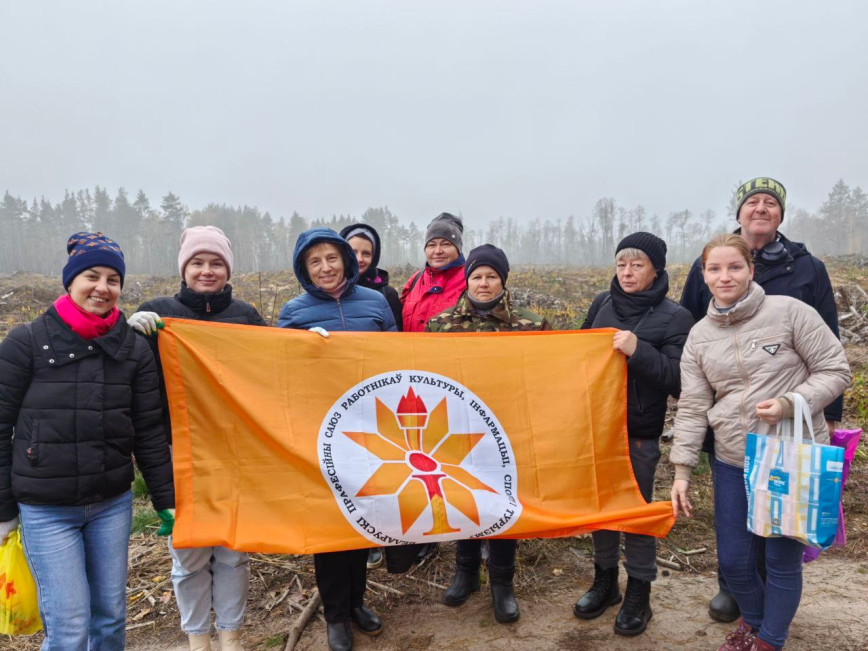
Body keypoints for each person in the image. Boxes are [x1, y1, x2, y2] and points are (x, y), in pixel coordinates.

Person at [670, 233, 851, 651]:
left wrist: (791, 403)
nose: (725, 276)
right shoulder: (699, 337)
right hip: (735, 459)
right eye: (714, 269)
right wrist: (681, 471)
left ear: (751, 270)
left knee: (780, 560)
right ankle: (753, 622)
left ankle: (770, 639)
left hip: (791, 453)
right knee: (734, 562)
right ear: (703, 276)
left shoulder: (789, 312)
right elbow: (694, 406)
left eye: (734, 267)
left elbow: (836, 368)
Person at [0, 232, 175, 650]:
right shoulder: (26, 342)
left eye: (113, 279)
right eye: (92, 276)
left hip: (111, 505)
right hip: (46, 510)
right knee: (71, 627)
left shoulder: (133, 348)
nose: (102, 287)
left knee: (111, 618)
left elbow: (148, 430)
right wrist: (4, 510)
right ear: (70, 281)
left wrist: (166, 499)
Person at [128, 226, 266, 651]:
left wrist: (312, 345)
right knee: (188, 552)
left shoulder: (245, 314)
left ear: (228, 270)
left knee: (231, 549)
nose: (207, 271)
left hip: (232, 449)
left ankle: (231, 635)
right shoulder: (158, 312)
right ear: (184, 269)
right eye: (198, 263)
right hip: (178, 449)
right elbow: (128, 373)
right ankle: (196, 637)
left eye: (216, 264)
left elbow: (269, 365)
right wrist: (127, 331)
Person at [278, 227, 396, 651]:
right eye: (315, 261)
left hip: (371, 430)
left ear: (347, 259)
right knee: (330, 523)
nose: (326, 267)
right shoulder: (294, 311)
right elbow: (281, 373)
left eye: (332, 258)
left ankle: (358, 602)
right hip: (321, 431)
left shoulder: (376, 302)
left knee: (362, 518)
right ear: (304, 269)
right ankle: (335, 615)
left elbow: (395, 360)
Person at [575, 232, 693, 636]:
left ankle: (639, 590)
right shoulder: (602, 304)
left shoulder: (676, 317)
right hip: (597, 428)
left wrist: (638, 349)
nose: (627, 272)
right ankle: (605, 580)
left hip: (639, 433)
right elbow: (576, 355)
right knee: (602, 508)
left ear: (656, 269)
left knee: (637, 511)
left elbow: (678, 379)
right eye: (621, 264)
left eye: (637, 264)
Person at [426, 244, 550, 624]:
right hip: (457, 430)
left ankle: (501, 582)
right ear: (467, 280)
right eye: (477, 276)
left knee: (502, 504)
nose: (483, 284)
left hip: (508, 431)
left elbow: (549, 375)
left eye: (491, 276)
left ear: (503, 280)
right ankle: (465, 572)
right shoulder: (440, 324)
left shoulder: (531, 325)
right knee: (462, 496)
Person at [401, 212, 466, 333]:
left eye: (446, 244)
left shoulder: (472, 281)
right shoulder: (415, 281)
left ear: (458, 249)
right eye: (431, 245)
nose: (438, 251)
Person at [340, 222, 403, 332]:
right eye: (353, 252)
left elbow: (396, 338)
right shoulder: (329, 291)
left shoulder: (387, 295)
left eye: (366, 254)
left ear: (374, 257)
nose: (359, 259)